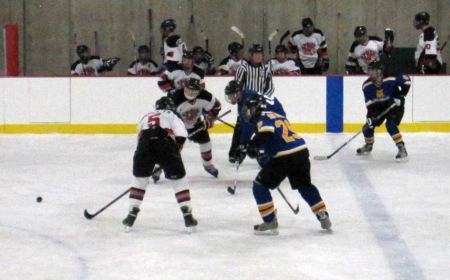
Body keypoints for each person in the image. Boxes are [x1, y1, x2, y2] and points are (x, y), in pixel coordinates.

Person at [240, 94, 332, 235]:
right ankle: (322, 213)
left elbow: (267, 134)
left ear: (257, 107)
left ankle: (269, 220)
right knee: (305, 186)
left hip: (285, 156)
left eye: (250, 108)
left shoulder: (262, 118)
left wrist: (252, 145)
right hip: (301, 151)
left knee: (259, 185)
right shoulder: (277, 115)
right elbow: (274, 141)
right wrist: (259, 151)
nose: (248, 112)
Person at [122, 96, 197, 233]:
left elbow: (140, 141)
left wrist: (153, 163)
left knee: (139, 180)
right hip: (164, 143)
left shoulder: (146, 116)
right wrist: (175, 151)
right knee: (179, 179)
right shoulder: (172, 115)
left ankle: (131, 213)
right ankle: (187, 215)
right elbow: (182, 134)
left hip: (143, 146)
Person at [228, 44, 274, 164]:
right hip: (245, 103)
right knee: (241, 128)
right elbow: (237, 85)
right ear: (251, 55)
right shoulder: (243, 68)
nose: (259, 56)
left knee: (261, 128)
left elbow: (270, 87)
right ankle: (235, 153)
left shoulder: (266, 68)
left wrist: (262, 98)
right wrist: (236, 97)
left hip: (260, 103)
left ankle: (261, 155)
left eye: (260, 54)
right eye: (256, 54)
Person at [356, 60, 411, 161]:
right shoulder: (366, 86)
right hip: (378, 107)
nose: (370, 73)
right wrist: (371, 117)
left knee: (390, 125)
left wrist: (401, 95)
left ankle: (401, 148)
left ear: (379, 71)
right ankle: (369, 145)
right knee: (368, 127)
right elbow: (370, 104)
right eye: (369, 70)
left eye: (372, 71)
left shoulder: (391, 77)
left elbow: (407, 81)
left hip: (395, 105)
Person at [224, 80, 286, 164]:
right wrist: (236, 148)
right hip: (272, 113)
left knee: (264, 160)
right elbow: (240, 125)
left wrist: (243, 146)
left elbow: (247, 128)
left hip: (275, 113)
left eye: (231, 95)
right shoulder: (243, 96)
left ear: (237, 93)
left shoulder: (247, 100)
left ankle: (272, 155)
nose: (230, 98)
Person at [171, 78, 221, 177]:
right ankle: (158, 167)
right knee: (170, 147)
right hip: (177, 127)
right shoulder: (175, 98)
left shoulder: (205, 96)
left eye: (194, 92)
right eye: (188, 91)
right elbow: (168, 117)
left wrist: (209, 118)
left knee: (206, 142)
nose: (190, 94)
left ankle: (208, 165)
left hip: (196, 125)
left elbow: (216, 107)